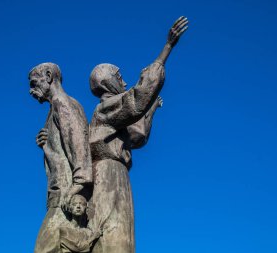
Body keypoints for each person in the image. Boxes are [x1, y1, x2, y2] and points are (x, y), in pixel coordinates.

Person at [86, 17, 189, 253]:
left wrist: (150, 109)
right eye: (118, 75)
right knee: (112, 240)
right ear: (106, 82)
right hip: (107, 176)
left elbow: (137, 136)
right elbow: (137, 99)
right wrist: (167, 49)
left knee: (122, 240)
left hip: (117, 176)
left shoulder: (112, 116)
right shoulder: (105, 108)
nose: (123, 79)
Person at [28, 62, 93, 253]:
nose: (32, 91)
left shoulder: (62, 103)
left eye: (34, 83)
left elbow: (79, 147)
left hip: (66, 196)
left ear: (48, 76)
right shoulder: (54, 109)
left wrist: (76, 187)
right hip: (59, 195)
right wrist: (46, 144)